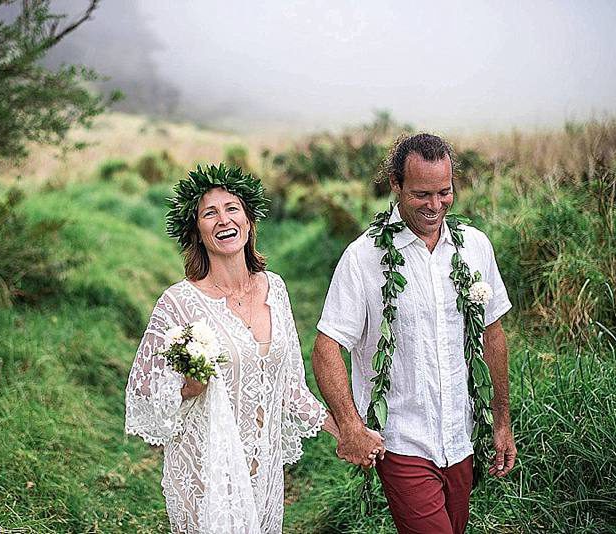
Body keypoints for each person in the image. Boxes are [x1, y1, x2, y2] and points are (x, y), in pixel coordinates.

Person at [125, 164, 352, 534]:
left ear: (248, 221)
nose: (223, 220)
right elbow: (143, 392)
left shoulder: (275, 289)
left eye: (232, 208)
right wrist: (188, 388)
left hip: (265, 471)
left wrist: (344, 430)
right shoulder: (178, 303)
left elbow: (291, 387)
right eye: (209, 213)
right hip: (205, 469)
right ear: (196, 232)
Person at [312, 133, 516, 534]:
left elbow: (493, 334)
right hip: (401, 440)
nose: (435, 205)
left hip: (460, 437)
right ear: (396, 186)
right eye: (422, 194)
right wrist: (351, 426)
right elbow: (326, 347)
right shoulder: (363, 257)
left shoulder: (475, 247)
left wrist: (501, 420)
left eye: (445, 192)